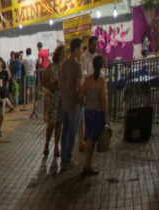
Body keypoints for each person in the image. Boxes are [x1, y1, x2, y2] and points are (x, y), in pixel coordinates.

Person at [80, 54, 109, 175]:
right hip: (97, 113)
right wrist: (106, 116)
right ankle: (87, 165)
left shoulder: (87, 80)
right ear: (102, 66)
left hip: (88, 111)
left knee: (90, 138)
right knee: (91, 140)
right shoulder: (101, 80)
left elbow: (82, 96)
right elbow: (103, 99)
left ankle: (89, 164)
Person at [58, 39, 84, 168]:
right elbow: (79, 86)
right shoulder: (76, 65)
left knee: (65, 130)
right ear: (76, 49)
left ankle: (64, 157)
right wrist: (82, 98)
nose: (82, 51)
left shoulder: (63, 64)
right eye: (81, 48)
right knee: (73, 131)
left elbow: (60, 84)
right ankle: (67, 159)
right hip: (74, 103)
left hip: (65, 101)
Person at [42, 45, 65, 158]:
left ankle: (56, 146)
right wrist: (53, 86)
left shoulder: (64, 67)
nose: (63, 56)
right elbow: (43, 82)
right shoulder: (51, 67)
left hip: (62, 98)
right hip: (53, 98)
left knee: (59, 122)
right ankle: (47, 144)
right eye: (62, 53)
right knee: (52, 123)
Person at [22, 47, 37, 112]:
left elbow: (22, 63)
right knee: (33, 87)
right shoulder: (34, 58)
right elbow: (36, 63)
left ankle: (27, 100)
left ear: (26, 52)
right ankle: (33, 99)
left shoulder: (25, 59)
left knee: (27, 88)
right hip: (33, 73)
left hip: (27, 74)